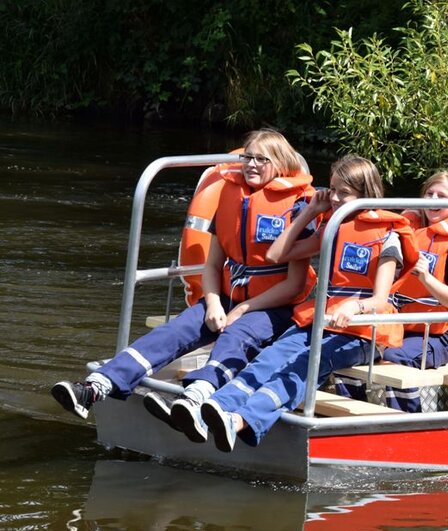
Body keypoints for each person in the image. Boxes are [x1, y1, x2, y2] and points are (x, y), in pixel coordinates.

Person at [51, 129, 316, 422]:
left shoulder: (298, 206)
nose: (251, 165)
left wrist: (244, 308)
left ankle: (195, 399)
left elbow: (295, 285)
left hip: (274, 307)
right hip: (227, 296)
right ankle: (95, 388)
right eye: (247, 157)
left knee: (236, 335)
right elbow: (214, 265)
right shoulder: (231, 197)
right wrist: (213, 303)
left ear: (279, 163)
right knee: (177, 329)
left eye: (261, 159)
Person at [181, 155, 419, 452]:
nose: (333, 198)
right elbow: (276, 255)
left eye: (343, 193)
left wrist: (353, 308)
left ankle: (240, 421)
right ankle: (215, 409)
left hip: (362, 332)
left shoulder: (388, 237)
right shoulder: (333, 227)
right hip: (322, 320)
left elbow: (379, 300)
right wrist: (309, 212)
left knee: (303, 365)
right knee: (270, 357)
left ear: (365, 194)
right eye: (331, 190)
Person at [383, 171, 448, 412]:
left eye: (441, 196)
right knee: (354, 346)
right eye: (429, 193)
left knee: (392, 355)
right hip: (397, 325)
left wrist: (425, 276)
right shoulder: (407, 231)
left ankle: (406, 420)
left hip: (435, 337)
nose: (433, 200)